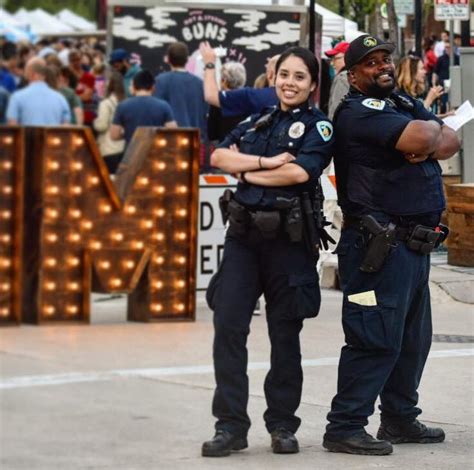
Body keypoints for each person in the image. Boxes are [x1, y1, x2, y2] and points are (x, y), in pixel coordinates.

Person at [323, 34, 460, 456]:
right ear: (353, 76)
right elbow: (426, 140)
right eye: (370, 63)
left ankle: (400, 419)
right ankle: (345, 424)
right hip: (376, 249)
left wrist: (431, 134)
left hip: (413, 248)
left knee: (413, 340)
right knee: (374, 337)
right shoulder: (356, 113)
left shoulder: (402, 104)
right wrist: (428, 138)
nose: (381, 67)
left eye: (385, 59)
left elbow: (451, 140)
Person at [201, 46, 334, 458]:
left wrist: (245, 167)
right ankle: (230, 426)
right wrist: (264, 161)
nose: (289, 82)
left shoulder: (319, 127)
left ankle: (281, 425)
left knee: (284, 336)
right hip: (243, 240)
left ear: (312, 85)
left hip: (288, 244)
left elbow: (299, 171)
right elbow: (218, 155)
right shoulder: (257, 120)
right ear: (274, 77)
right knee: (228, 327)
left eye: (299, 77)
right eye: (284, 74)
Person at [200, 41, 279, 118]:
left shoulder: (251, 96)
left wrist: (209, 63)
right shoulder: (289, 100)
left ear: (270, 74)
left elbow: (211, 96)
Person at [154, 42, 208, 139]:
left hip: (168, 139)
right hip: (195, 139)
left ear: (168, 59)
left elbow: (156, 113)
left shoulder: (160, 81)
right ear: (187, 59)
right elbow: (205, 113)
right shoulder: (199, 83)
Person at [110, 70, 177, 147]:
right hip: (156, 152)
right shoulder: (164, 105)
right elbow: (173, 131)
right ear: (153, 87)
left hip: (131, 153)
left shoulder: (123, 106)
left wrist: (127, 135)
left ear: (134, 87)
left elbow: (114, 135)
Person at [6, 57, 70, 125]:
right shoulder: (60, 98)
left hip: (26, 135)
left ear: (32, 74)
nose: (24, 75)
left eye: (26, 71)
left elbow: (12, 125)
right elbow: (65, 127)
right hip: (51, 135)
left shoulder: (17, 97)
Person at [94, 72, 126, 174]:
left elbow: (101, 126)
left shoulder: (105, 104)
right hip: (125, 147)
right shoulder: (127, 102)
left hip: (108, 148)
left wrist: (94, 122)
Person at [207, 61, 247, 143]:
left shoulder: (218, 100)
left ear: (224, 81)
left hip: (225, 148)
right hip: (247, 149)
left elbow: (211, 134)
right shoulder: (250, 98)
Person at [325, 41, 350, 119]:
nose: (332, 63)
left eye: (335, 59)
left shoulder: (342, 78)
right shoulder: (356, 75)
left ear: (346, 57)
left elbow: (336, 110)